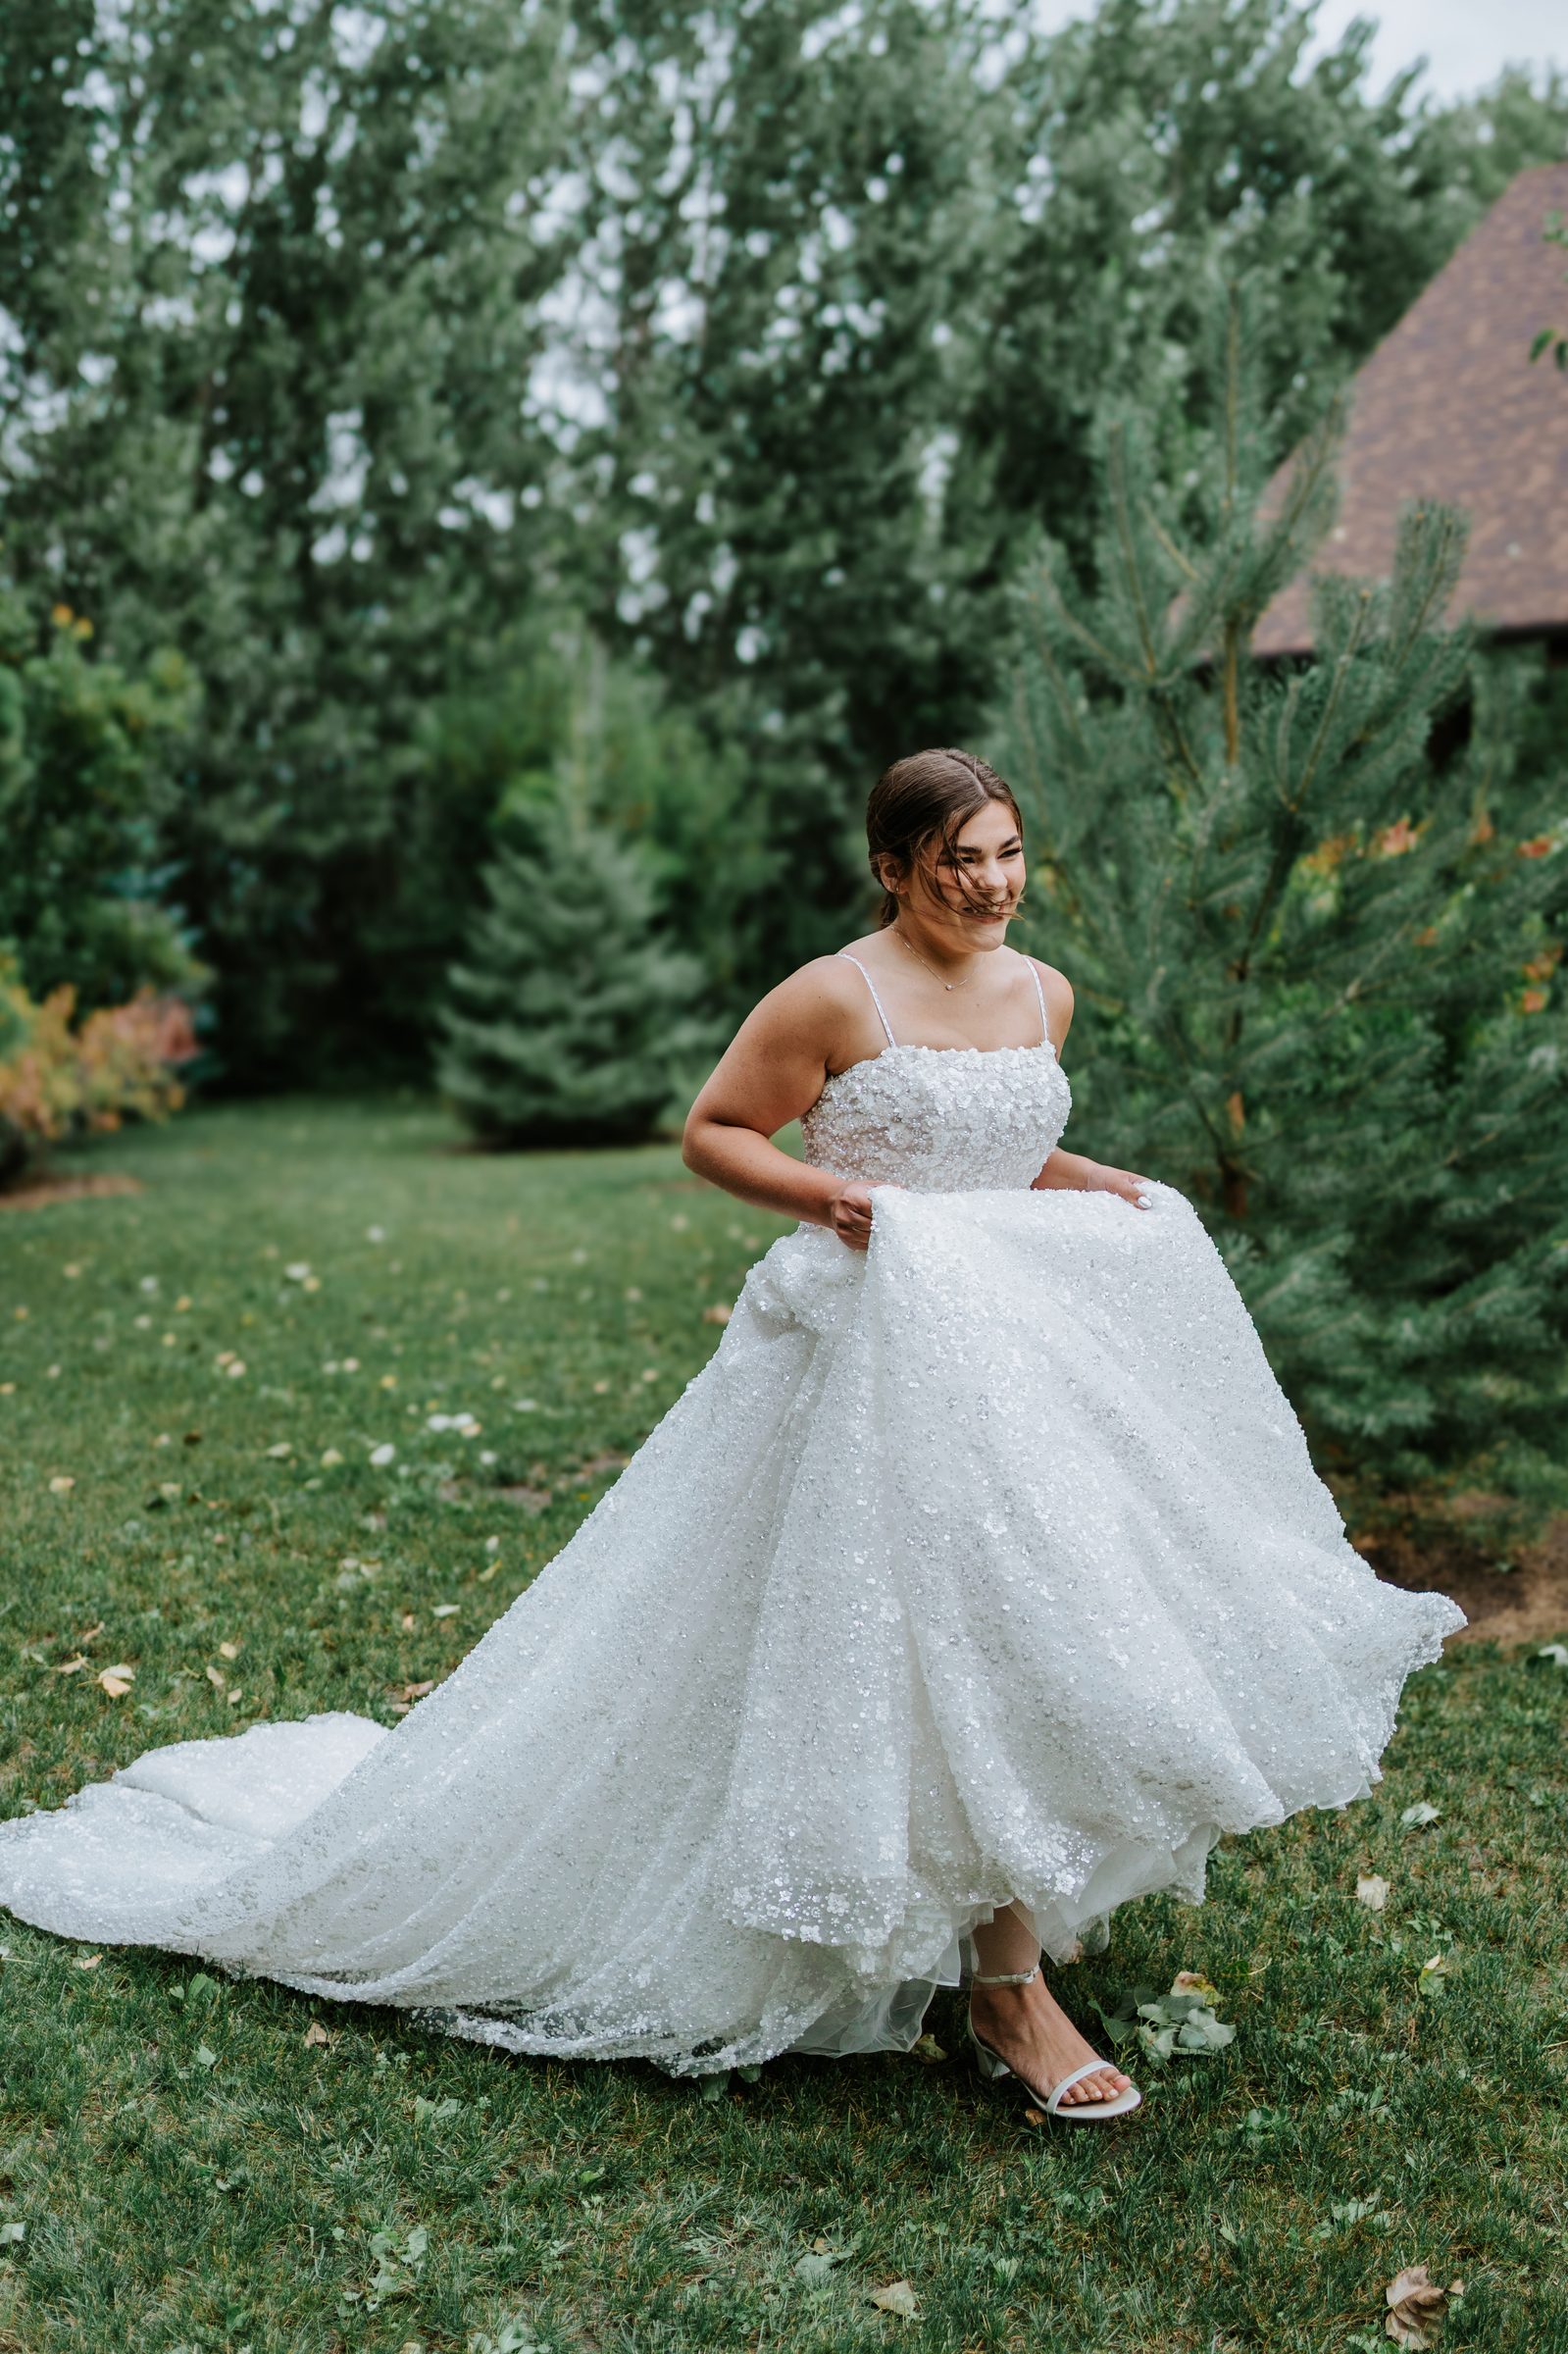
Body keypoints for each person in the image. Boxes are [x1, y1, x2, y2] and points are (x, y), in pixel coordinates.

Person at [0, 746, 1466, 2128]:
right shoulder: (833, 998)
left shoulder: (1045, 995)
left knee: (1027, 1629)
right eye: (960, 862)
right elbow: (718, 1131)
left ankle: (1000, 1949)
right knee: (877, 1636)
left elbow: (1003, 1152)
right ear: (892, 868)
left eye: (1010, 856)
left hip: (1010, 1359)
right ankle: (988, 1986)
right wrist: (827, 1199)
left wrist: (1103, 1188)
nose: (994, 885)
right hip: (860, 1348)